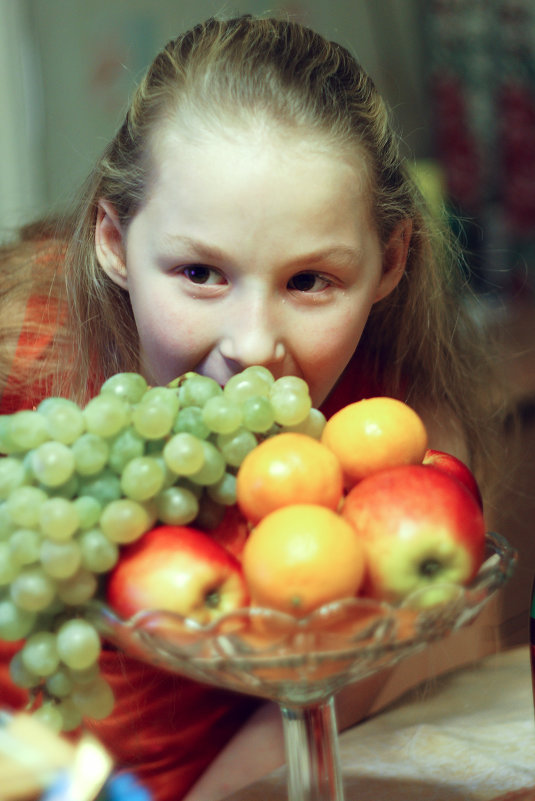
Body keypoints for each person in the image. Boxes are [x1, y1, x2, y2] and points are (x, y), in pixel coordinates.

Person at [0, 13, 506, 801]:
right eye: (200, 272)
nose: (251, 345)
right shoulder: (21, 358)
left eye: (309, 282)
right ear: (111, 238)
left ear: (391, 259)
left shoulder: (392, 449)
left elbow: (296, 729)